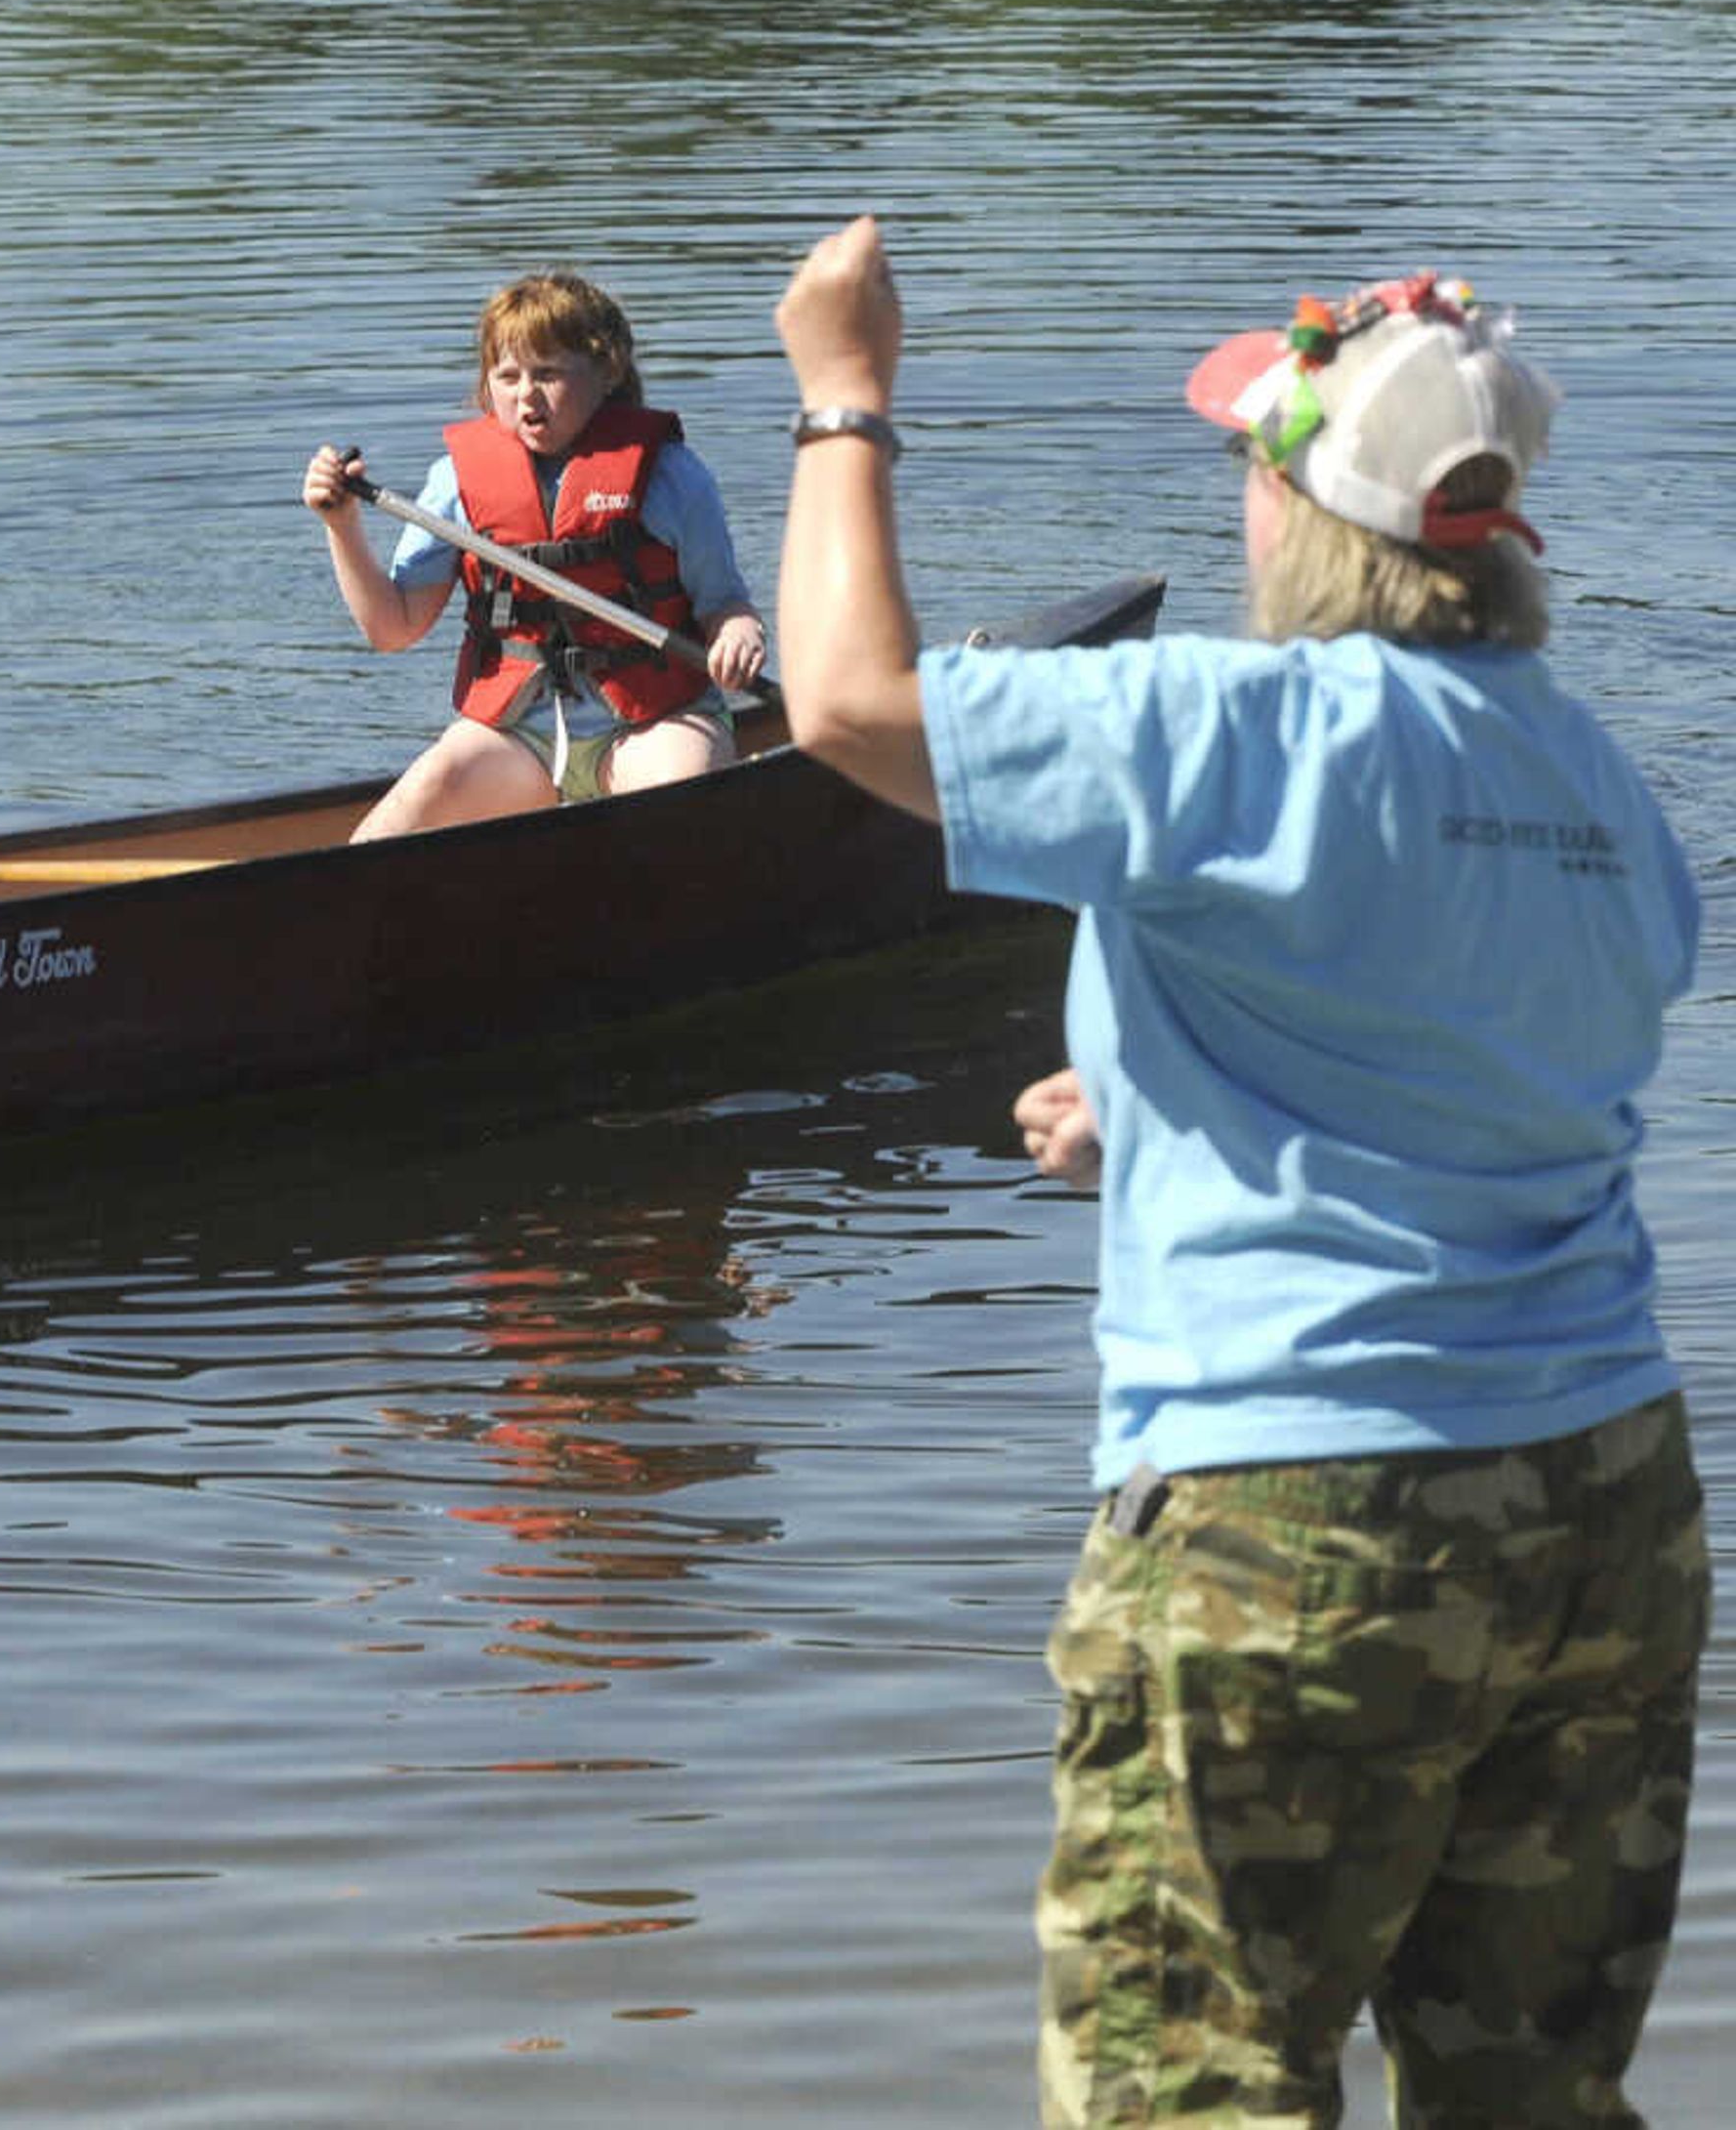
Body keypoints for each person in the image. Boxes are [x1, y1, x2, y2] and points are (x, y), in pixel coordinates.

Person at [771, 216, 1706, 2125]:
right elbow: (1496, 1067)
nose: (1237, 509)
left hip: (1295, 1518)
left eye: (1247, 468)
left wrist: (842, 395)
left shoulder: (1226, 721)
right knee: (1529, 2093)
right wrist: (1154, 1093)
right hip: (1603, 1502)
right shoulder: (1597, 781)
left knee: (1189, 2086)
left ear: (1310, 512)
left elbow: (847, 701)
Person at [299, 269, 770, 839]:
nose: (526, 395)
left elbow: (726, 606)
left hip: (654, 723)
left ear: (608, 372)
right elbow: (392, 629)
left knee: (681, 810)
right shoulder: (455, 484)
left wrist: (739, 636)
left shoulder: (673, 477)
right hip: (518, 735)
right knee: (384, 835)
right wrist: (341, 525)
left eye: (548, 374)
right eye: (508, 375)